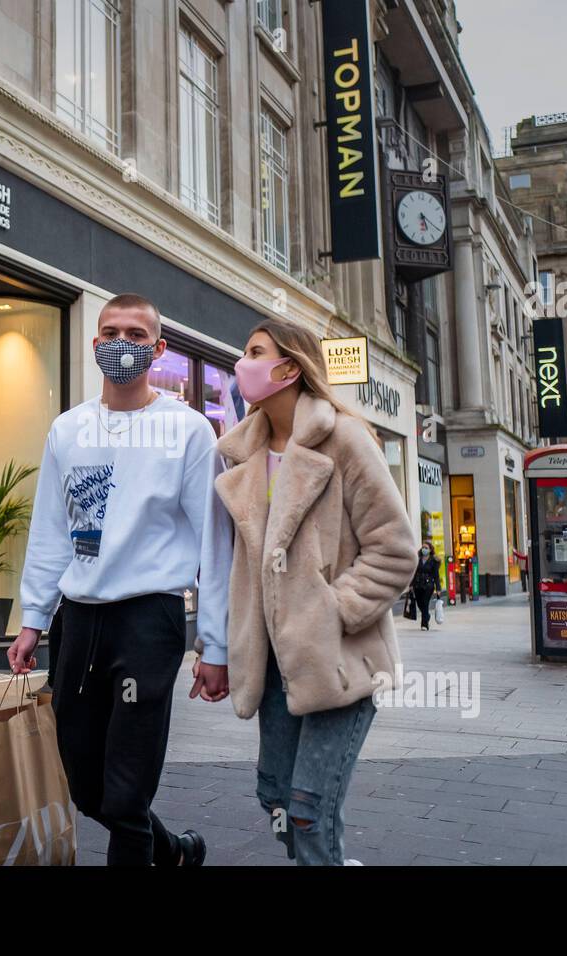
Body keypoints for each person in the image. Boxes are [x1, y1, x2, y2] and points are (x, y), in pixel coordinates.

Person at [6, 293, 233, 867]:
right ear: (94, 343)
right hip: (79, 621)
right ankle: (174, 852)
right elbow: (51, 531)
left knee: (127, 787)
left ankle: (150, 851)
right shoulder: (69, 429)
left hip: (148, 621)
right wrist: (34, 619)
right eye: (111, 333)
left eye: (136, 335)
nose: (122, 345)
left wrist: (216, 642)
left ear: (158, 350)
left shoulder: (187, 431)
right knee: (85, 784)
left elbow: (215, 542)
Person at [212, 318, 415, 866]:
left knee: (307, 806)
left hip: (338, 660)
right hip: (274, 664)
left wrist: (333, 611)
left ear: (289, 368)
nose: (242, 364)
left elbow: (395, 547)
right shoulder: (242, 456)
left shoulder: (345, 438)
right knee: (276, 799)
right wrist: (224, 648)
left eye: (255, 352)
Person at [410, 542, 440, 630]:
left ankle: (424, 624)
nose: (424, 549)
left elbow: (436, 575)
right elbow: (413, 573)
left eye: (426, 548)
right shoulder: (417, 559)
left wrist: (438, 588)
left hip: (428, 585)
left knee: (425, 603)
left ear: (430, 550)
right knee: (419, 603)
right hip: (417, 585)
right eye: (423, 547)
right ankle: (427, 615)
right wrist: (411, 585)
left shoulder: (433, 561)